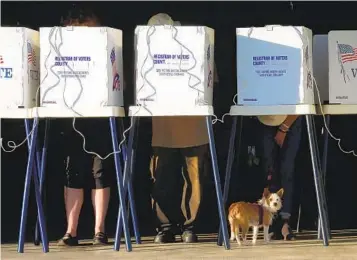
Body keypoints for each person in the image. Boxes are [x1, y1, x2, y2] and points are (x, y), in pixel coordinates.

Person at [147, 13, 219, 244]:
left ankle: (190, 226)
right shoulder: (148, 51)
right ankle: (165, 226)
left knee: (195, 179)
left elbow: (211, 79)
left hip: (193, 121)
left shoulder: (195, 43)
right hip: (163, 123)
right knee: (161, 179)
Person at [56, 7, 114, 246]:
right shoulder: (61, 48)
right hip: (71, 115)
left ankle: (99, 230)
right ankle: (71, 231)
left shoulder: (105, 45)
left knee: (100, 173)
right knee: (73, 173)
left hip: (99, 113)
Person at [258, 114, 302, 240]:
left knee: (287, 170)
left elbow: (300, 102)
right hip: (267, 117)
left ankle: (285, 222)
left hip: (291, 120)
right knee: (269, 171)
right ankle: (272, 222)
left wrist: (284, 128)